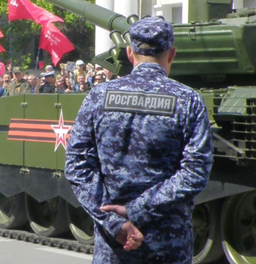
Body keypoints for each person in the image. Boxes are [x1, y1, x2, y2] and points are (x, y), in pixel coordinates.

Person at [64, 17, 213, 263]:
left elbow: (77, 167)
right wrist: (136, 210)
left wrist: (115, 223)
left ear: (129, 53)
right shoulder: (188, 100)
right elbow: (196, 173)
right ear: (172, 54)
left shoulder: (99, 96)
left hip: (115, 247)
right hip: (167, 246)